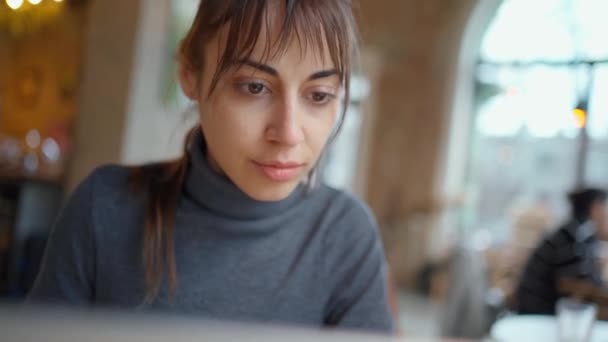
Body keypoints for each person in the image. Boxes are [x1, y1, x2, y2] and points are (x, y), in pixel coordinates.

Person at [27, 0, 394, 333]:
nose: (288, 133)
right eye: (254, 87)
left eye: (319, 95)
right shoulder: (104, 210)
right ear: (190, 73)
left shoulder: (347, 238)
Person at [515, 188, 607, 315]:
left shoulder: (575, 231)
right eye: (604, 206)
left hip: (543, 307)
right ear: (595, 208)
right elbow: (573, 285)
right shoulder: (574, 235)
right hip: (538, 311)